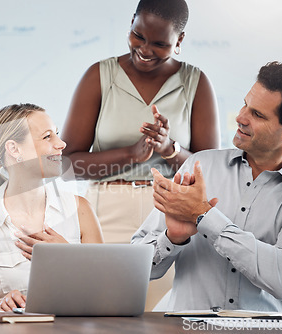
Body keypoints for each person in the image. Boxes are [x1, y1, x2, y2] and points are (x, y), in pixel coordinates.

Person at [61, 0, 220, 308]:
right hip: (105, 213)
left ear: (179, 41)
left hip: (170, 215)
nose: (145, 50)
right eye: (138, 36)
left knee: (164, 316)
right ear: (132, 22)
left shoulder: (195, 83)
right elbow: (66, 166)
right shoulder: (99, 76)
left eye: (160, 43)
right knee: (101, 314)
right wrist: (131, 155)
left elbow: (211, 170)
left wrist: (169, 149)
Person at [132, 61, 282, 319]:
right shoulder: (200, 166)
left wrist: (204, 216)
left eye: (258, 115)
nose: (241, 118)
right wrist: (172, 238)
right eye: (245, 105)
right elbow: (137, 268)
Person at [0, 103, 103, 312]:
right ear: (14, 149)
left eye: (57, 134)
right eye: (47, 137)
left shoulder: (81, 210)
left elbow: (104, 298)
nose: (61, 144)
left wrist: (69, 259)